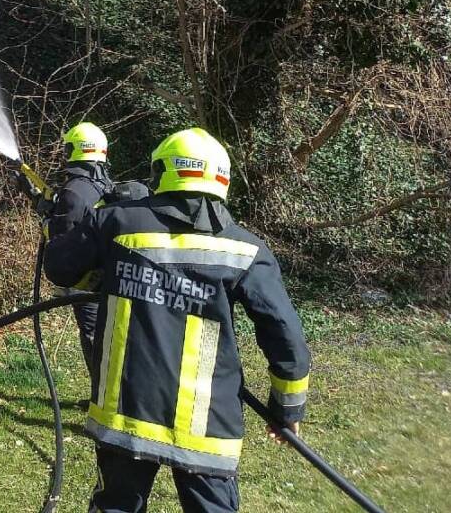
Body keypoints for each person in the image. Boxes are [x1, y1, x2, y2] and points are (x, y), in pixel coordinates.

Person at [44, 128, 310, 513]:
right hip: (207, 424)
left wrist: (70, 223)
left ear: (160, 173)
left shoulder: (117, 223)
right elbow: (285, 335)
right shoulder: (247, 250)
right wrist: (286, 411)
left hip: (126, 413)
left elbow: (62, 269)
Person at [45, 121, 114, 387]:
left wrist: (46, 222)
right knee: (108, 337)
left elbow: (64, 241)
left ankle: (103, 397)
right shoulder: (103, 184)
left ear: (73, 150)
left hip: (87, 281)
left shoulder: (74, 190)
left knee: (93, 336)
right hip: (109, 275)